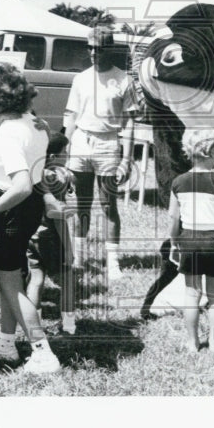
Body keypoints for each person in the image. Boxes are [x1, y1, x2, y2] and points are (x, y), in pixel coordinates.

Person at [0, 63, 62, 374]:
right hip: (28, 208)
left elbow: (20, 184)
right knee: (10, 281)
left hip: (10, 207)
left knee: (11, 285)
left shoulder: (10, 134)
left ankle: (42, 353)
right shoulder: (35, 123)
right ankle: (6, 344)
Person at [64, 25, 137, 279]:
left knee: (108, 204)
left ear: (110, 49)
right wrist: (65, 147)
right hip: (82, 143)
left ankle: (113, 261)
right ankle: (79, 258)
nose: (94, 53)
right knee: (81, 203)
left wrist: (126, 160)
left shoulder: (125, 80)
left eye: (99, 48)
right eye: (91, 48)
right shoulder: (80, 79)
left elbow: (129, 122)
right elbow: (71, 116)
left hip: (108, 144)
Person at [169, 127, 214, 353]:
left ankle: (192, 341)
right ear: (212, 152)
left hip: (189, 238)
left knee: (192, 293)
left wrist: (173, 242)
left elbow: (173, 217)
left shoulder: (178, 181)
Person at [25, 132, 77, 336]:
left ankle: (33, 325)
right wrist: (69, 248)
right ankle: (69, 325)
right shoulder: (57, 178)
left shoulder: (35, 173)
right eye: (65, 152)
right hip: (51, 236)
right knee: (68, 279)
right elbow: (58, 218)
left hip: (32, 234)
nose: (67, 155)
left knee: (36, 278)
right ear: (54, 157)